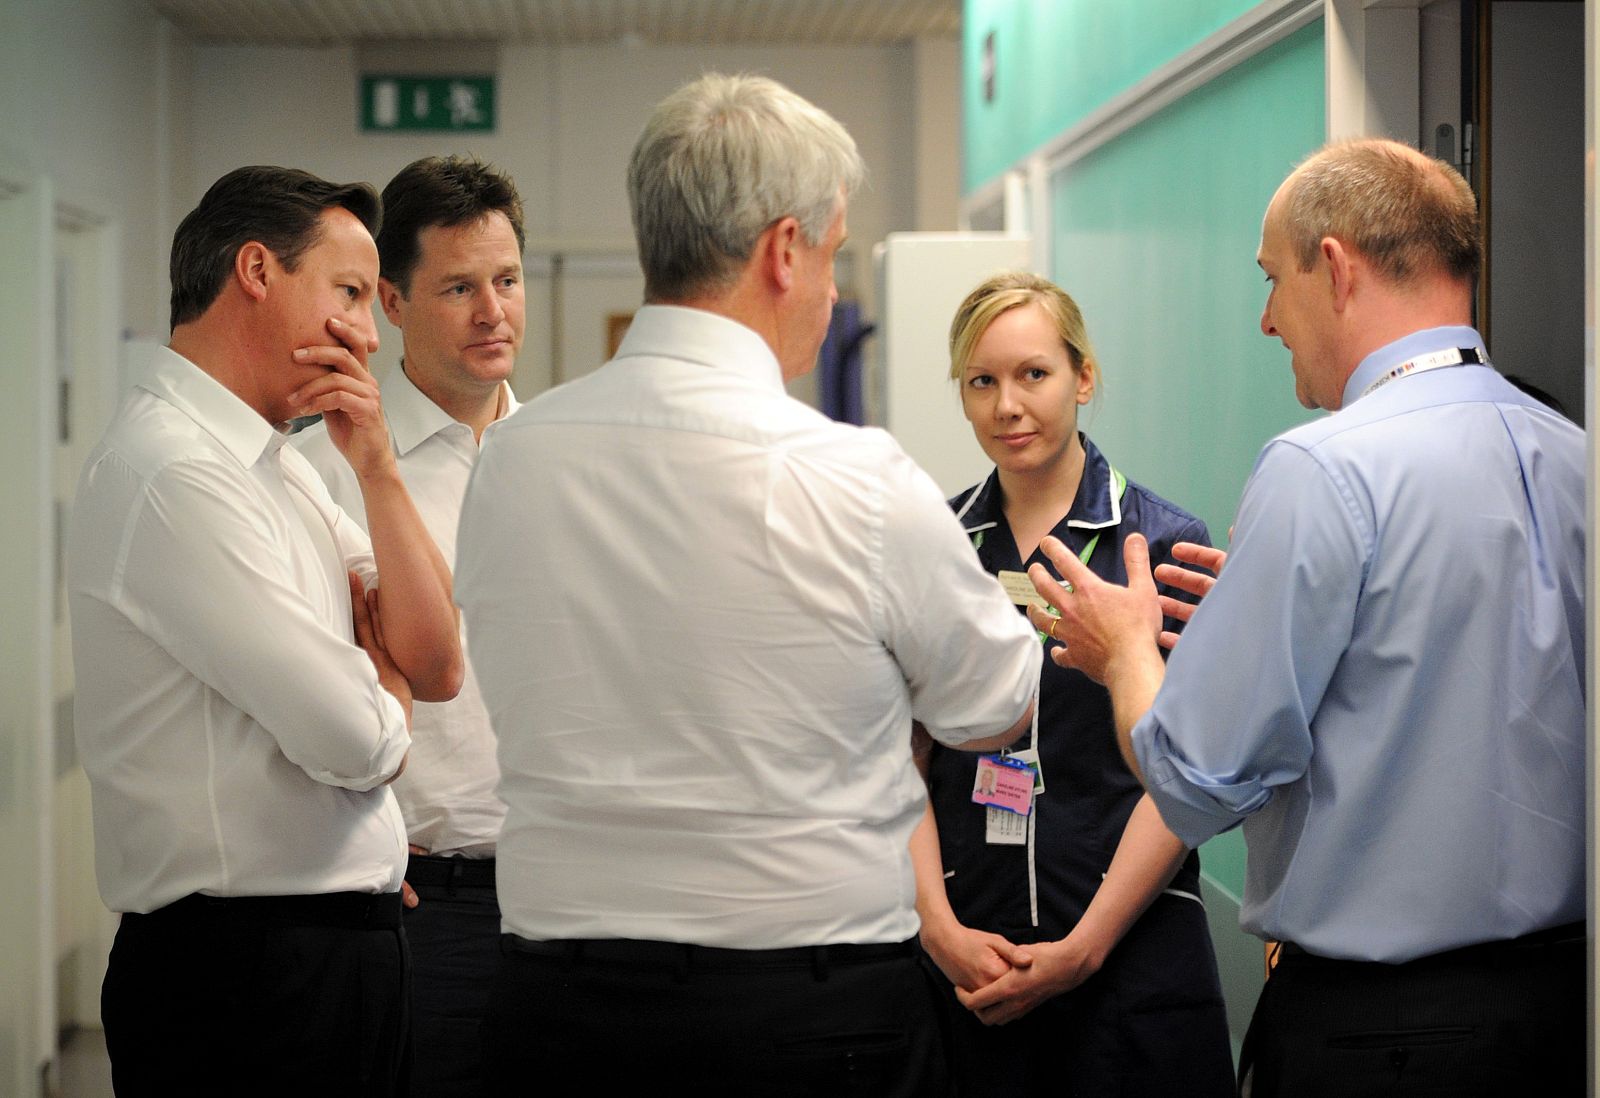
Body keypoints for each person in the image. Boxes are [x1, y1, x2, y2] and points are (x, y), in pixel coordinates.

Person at [455, 72, 1042, 1094]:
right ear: (782, 251)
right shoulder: (854, 478)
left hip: (557, 1016)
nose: (828, 284)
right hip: (807, 1024)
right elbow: (994, 704)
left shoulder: (511, 460)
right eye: (831, 251)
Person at [1033, 139, 1585, 1096]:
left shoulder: (1323, 468)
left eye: (1271, 280)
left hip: (1379, 1039)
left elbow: (1196, 787)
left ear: (1333, 268)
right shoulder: (1569, 453)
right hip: (1559, 1020)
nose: (1264, 320)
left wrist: (1127, 654)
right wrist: (1268, 632)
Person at [69, 166, 464, 1095]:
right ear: (256, 269)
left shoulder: (273, 462)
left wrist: (376, 468)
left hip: (325, 960)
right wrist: (385, 687)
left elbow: (438, 658)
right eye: (352, 293)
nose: (370, 334)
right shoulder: (174, 472)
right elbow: (359, 738)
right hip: (242, 977)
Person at [911, 272, 1233, 1097]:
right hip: (968, 959)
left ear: (1083, 377)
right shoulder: (936, 545)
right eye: (981, 382)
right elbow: (896, 761)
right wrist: (938, 929)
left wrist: (1086, 945)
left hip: (1127, 957)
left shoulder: (1160, 545)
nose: (1007, 406)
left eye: (1034, 375)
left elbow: (1184, 773)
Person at [293, 154, 524, 1098]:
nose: (493, 313)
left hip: (576, 902)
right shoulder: (324, 474)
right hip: (426, 912)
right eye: (459, 287)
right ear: (390, 301)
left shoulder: (565, 461)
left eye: (506, 281)